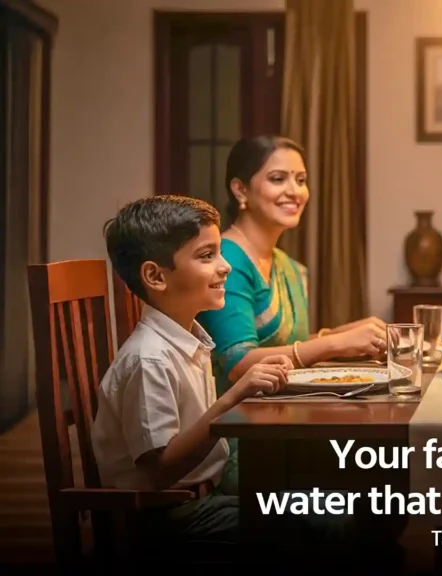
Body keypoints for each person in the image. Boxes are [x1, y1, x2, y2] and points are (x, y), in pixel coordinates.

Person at [90, 195, 299, 557]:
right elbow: (160, 472)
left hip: (201, 501)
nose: (225, 267)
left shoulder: (188, 340)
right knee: (318, 524)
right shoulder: (148, 359)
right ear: (156, 276)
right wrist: (233, 397)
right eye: (207, 256)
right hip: (167, 520)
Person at [196, 135, 386, 494]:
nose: (295, 191)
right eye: (278, 178)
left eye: (301, 180)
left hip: (285, 422)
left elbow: (288, 347)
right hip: (240, 438)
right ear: (240, 189)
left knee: (385, 467)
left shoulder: (287, 265)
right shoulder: (228, 262)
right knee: (378, 473)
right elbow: (240, 363)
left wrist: (345, 335)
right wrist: (335, 344)